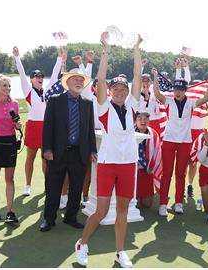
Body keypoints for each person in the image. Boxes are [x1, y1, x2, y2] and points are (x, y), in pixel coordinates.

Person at [75, 32, 142, 268]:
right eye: (118, 89)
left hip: (128, 164)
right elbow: (101, 80)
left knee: (122, 211)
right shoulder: (103, 108)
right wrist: (105, 50)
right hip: (107, 164)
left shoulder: (133, 106)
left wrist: (136, 48)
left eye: (124, 89)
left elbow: (137, 74)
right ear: (111, 91)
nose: (121, 92)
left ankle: (119, 252)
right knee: (101, 211)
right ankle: (82, 243)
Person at [40, 60, 97, 232]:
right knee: (53, 188)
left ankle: (71, 217)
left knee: (76, 189)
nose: (79, 82)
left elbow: (89, 131)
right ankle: (49, 219)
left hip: (79, 153)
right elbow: (48, 127)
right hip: (57, 153)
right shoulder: (55, 101)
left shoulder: (87, 103)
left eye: (81, 80)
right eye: (75, 79)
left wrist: (93, 150)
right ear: (68, 82)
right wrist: (47, 150)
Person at [153, 66, 208, 216]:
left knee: (180, 174)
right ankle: (163, 204)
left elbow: (206, 99)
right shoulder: (168, 100)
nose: (177, 92)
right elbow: (156, 93)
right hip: (168, 141)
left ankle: (179, 203)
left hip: (185, 142)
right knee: (167, 173)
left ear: (185, 90)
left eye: (180, 90)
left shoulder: (191, 103)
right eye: (175, 89)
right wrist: (155, 76)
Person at [13, 46, 65, 196]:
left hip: (46, 127)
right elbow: (21, 74)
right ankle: (28, 185)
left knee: (46, 158)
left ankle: (47, 184)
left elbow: (55, 75)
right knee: (30, 157)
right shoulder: (28, 91)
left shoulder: (48, 90)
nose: (40, 78)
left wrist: (59, 58)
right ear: (32, 80)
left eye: (41, 76)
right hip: (33, 127)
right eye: (37, 76)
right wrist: (17, 57)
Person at [174, 58, 208, 199]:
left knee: (193, 163)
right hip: (184, 133)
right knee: (181, 164)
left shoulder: (205, 100)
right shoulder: (185, 100)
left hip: (198, 135)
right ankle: (179, 189)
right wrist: (184, 68)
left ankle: (190, 185)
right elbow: (180, 84)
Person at [0, 74, 22, 223]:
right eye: (4, 86)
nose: (7, 88)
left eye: (9, 86)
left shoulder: (14, 104)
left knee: (10, 178)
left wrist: (18, 125)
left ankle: (10, 211)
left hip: (10, 142)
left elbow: (15, 122)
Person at [135, 110, 162, 208]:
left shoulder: (153, 134)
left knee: (147, 204)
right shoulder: (130, 132)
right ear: (135, 120)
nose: (143, 121)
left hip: (147, 171)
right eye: (140, 118)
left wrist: (152, 167)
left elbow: (158, 153)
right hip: (134, 172)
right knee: (136, 204)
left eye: (146, 118)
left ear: (149, 120)